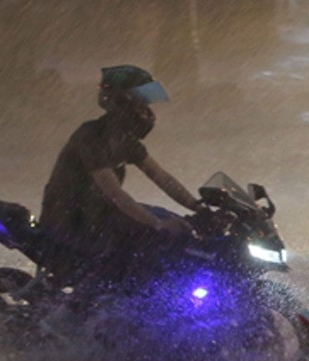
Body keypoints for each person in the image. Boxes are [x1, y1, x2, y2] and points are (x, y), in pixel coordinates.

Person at [39, 64, 201, 287]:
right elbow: (113, 192)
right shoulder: (92, 136)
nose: (147, 111)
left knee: (179, 224)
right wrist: (156, 224)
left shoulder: (125, 140)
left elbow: (162, 177)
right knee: (151, 235)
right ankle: (104, 304)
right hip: (72, 219)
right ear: (123, 101)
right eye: (142, 102)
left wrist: (198, 207)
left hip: (98, 213)